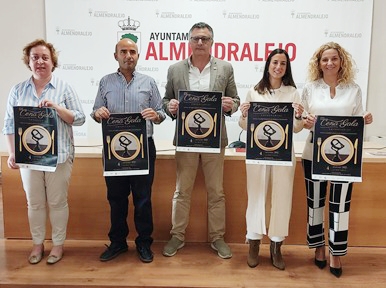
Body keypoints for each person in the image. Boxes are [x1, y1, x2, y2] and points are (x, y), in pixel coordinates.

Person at [2, 39, 86, 265]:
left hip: (59, 157)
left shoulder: (64, 88)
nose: (40, 61)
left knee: (58, 202)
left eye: (44, 57)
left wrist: (57, 108)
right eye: (35, 58)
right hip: (28, 159)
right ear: (28, 62)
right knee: (35, 203)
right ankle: (37, 244)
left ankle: (58, 246)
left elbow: (79, 118)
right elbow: (9, 124)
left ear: (52, 62)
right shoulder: (17, 90)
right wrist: (12, 153)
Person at [162, 22, 240, 259]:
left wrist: (231, 105)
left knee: (216, 191)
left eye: (205, 39)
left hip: (215, 141)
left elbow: (235, 100)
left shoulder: (225, 68)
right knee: (181, 191)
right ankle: (177, 235)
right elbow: (166, 101)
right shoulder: (175, 70)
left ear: (212, 42)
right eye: (196, 38)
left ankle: (217, 237)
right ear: (188, 41)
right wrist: (170, 107)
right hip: (186, 140)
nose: (200, 43)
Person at [301, 42, 373, 277]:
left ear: (342, 61)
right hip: (313, 155)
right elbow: (302, 120)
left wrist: (365, 119)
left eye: (334, 58)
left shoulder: (354, 89)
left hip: (345, 160)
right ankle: (319, 248)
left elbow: (358, 120)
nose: (329, 63)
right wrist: (306, 121)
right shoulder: (310, 88)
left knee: (340, 207)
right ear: (318, 64)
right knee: (315, 204)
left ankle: (336, 252)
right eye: (325, 59)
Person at [91, 38, 165, 263]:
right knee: (116, 198)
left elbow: (161, 113)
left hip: (144, 148)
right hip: (113, 149)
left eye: (132, 51)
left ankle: (143, 243)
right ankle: (118, 243)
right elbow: (95, 111)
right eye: (123, 51)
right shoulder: (105, 82)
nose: (128, 55)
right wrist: (98, 113)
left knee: (143, 199)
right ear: (116, 56)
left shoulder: (149, 82)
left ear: (138, 56)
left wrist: (156, 115)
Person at [239, 49, 304, 270]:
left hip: (284, 155)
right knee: (256, 196)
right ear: (268, 65)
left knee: (282, 197)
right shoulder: (254, 92)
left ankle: (276, 246)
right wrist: (245, 114)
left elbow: (296, 128)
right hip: (257, 155)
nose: (278, 67)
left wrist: (298, 116)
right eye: (275, 62)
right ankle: (254, 243)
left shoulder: (293, 93)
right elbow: (243, 126)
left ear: (287, 68)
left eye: (283, 63)